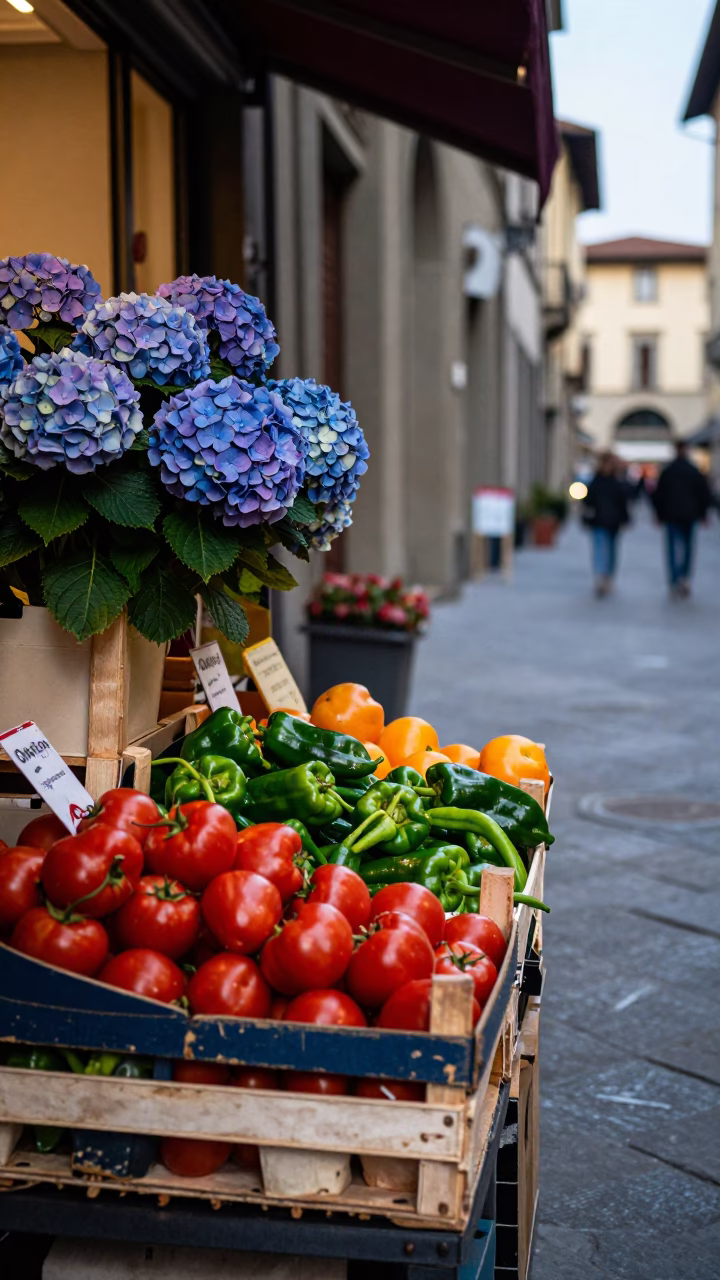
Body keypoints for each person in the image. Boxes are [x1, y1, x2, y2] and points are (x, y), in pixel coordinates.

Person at [652, 440, 713, 597]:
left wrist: (659, 514)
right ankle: (684, 578)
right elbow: (704, 494)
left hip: (671, 515)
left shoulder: (668, 471)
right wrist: (704, 514)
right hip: (689, 514)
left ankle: (674, 580)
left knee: (672, 548)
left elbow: (659, 495)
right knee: (687, 548)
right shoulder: (693, 471)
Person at [582, 452, 630, 597]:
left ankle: (607, 576)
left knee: (611, 551)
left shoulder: (616, 482)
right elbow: (588, 501)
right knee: (600, 549)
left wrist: (625, 518)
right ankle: (601, 577)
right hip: (599, 521)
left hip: (613, 522)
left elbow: (623, 503)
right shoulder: (597, 482)